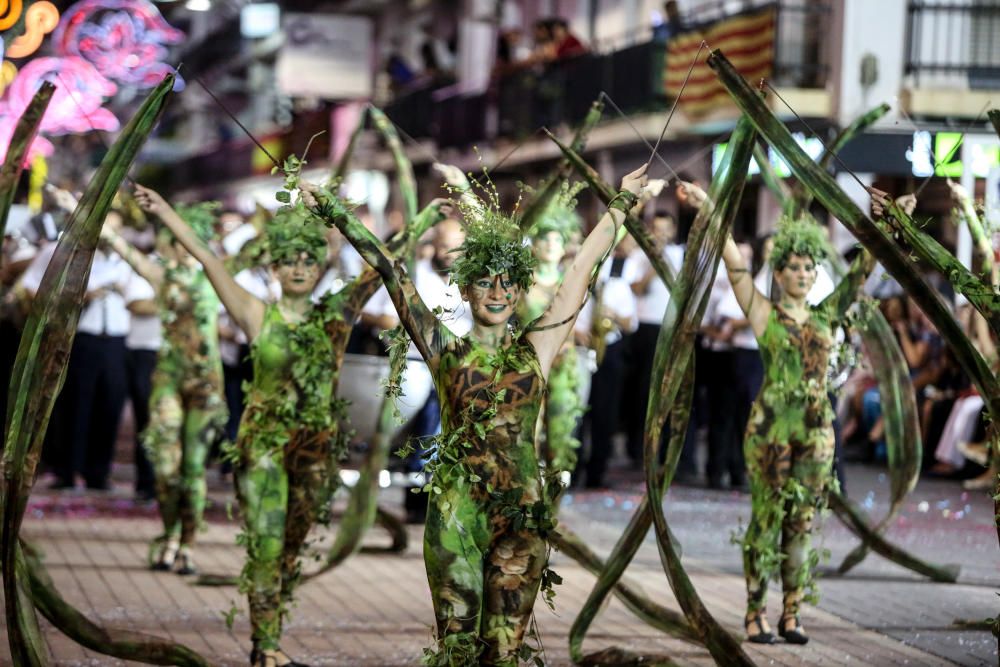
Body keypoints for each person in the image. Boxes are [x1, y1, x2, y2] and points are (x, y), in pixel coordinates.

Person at [300, 163, 650, 665]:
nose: (497, 293)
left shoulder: (539, 346)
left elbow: (581, 271)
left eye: (508, 283)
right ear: (465, 289)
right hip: (455, 513)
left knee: (505, 651)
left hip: (521, 515)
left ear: (519, 290)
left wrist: (622, 203)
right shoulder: (445, 348)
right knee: (459, 647)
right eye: (484, 282)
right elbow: (391, 271)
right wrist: (335, 213)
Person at [134, 183, 445, 667]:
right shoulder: (254, 312)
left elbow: (384, 260)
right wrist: (166, 211)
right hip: (262, 446)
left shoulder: (337, 314)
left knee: (289, 551)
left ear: (318, 267)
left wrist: (420, 218)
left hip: (315, 452)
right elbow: (205, 256)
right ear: (274, 268)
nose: (299, 267)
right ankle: (267, 647)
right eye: (290, 260)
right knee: (265, 542)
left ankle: (270, 634)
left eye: (308, 260)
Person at [717, 208, 874, 646]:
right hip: (771, 430)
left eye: (810, 267)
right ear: (780, 272)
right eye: (794, 267)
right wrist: (712, 213)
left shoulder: (827, 316)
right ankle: (754, 614)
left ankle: (791, 613)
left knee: (803, 521)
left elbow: (863, 270)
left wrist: (888, 223)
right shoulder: (764, 313)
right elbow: (735, 268)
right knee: (766, 519)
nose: (803, 274)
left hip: (816, 430)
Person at [100, 205, 229, 574]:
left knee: (193, 468)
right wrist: (82, 213)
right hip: (168, 378)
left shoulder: (217, 276)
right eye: (178, 242)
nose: (185, 249)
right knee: (165, 467)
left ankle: (187, 544)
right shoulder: (162, 276)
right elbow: (123, 248)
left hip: (205, 382)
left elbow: (263, 250)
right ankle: (170, 534)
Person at [519, 184, 586, 476]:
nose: (549, 245)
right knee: (525, 435)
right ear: (534, 244)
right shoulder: (521, 283)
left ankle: (553, 506)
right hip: (527, 366)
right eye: (544, 239)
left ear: (564, 247)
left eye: (556, 240)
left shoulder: (570, 282)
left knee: (560, 437)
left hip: (563, 367)